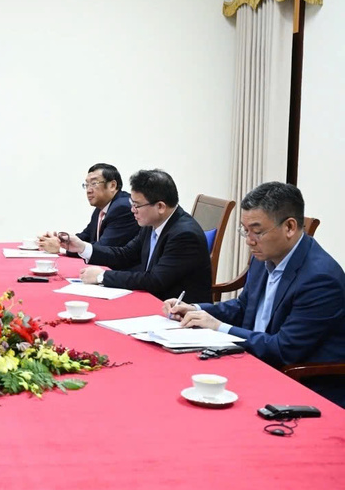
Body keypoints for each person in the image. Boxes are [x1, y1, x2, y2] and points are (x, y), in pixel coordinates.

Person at [164, 182, 345, 407]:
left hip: (300, 384)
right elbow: (244, 306)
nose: (249, 241)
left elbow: (283, 350)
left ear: (289, 227)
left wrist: (218, 327)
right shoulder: (263, 257)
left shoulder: (320, 279)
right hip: (255, 360)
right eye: (245, 230)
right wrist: (198, 310)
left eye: (257, 231)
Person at [60, 169, 212, 302]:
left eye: (137, 205)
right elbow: (125, 255)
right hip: (153, 299)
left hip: (179, 314)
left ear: (160, 206)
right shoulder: (152, 222)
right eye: (132, 203)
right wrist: (82, 247)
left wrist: (103, 276)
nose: (132, 210)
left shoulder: (184, 235)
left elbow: (155, 280)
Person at [38, 163, 139, 254]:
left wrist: (61, 249)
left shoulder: (123, 207)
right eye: (86, 185)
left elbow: (104, 247)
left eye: (94, 183)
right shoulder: (101, 208)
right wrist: (60, 241)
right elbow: (85, 236)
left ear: (112, 185)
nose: (88, 190)